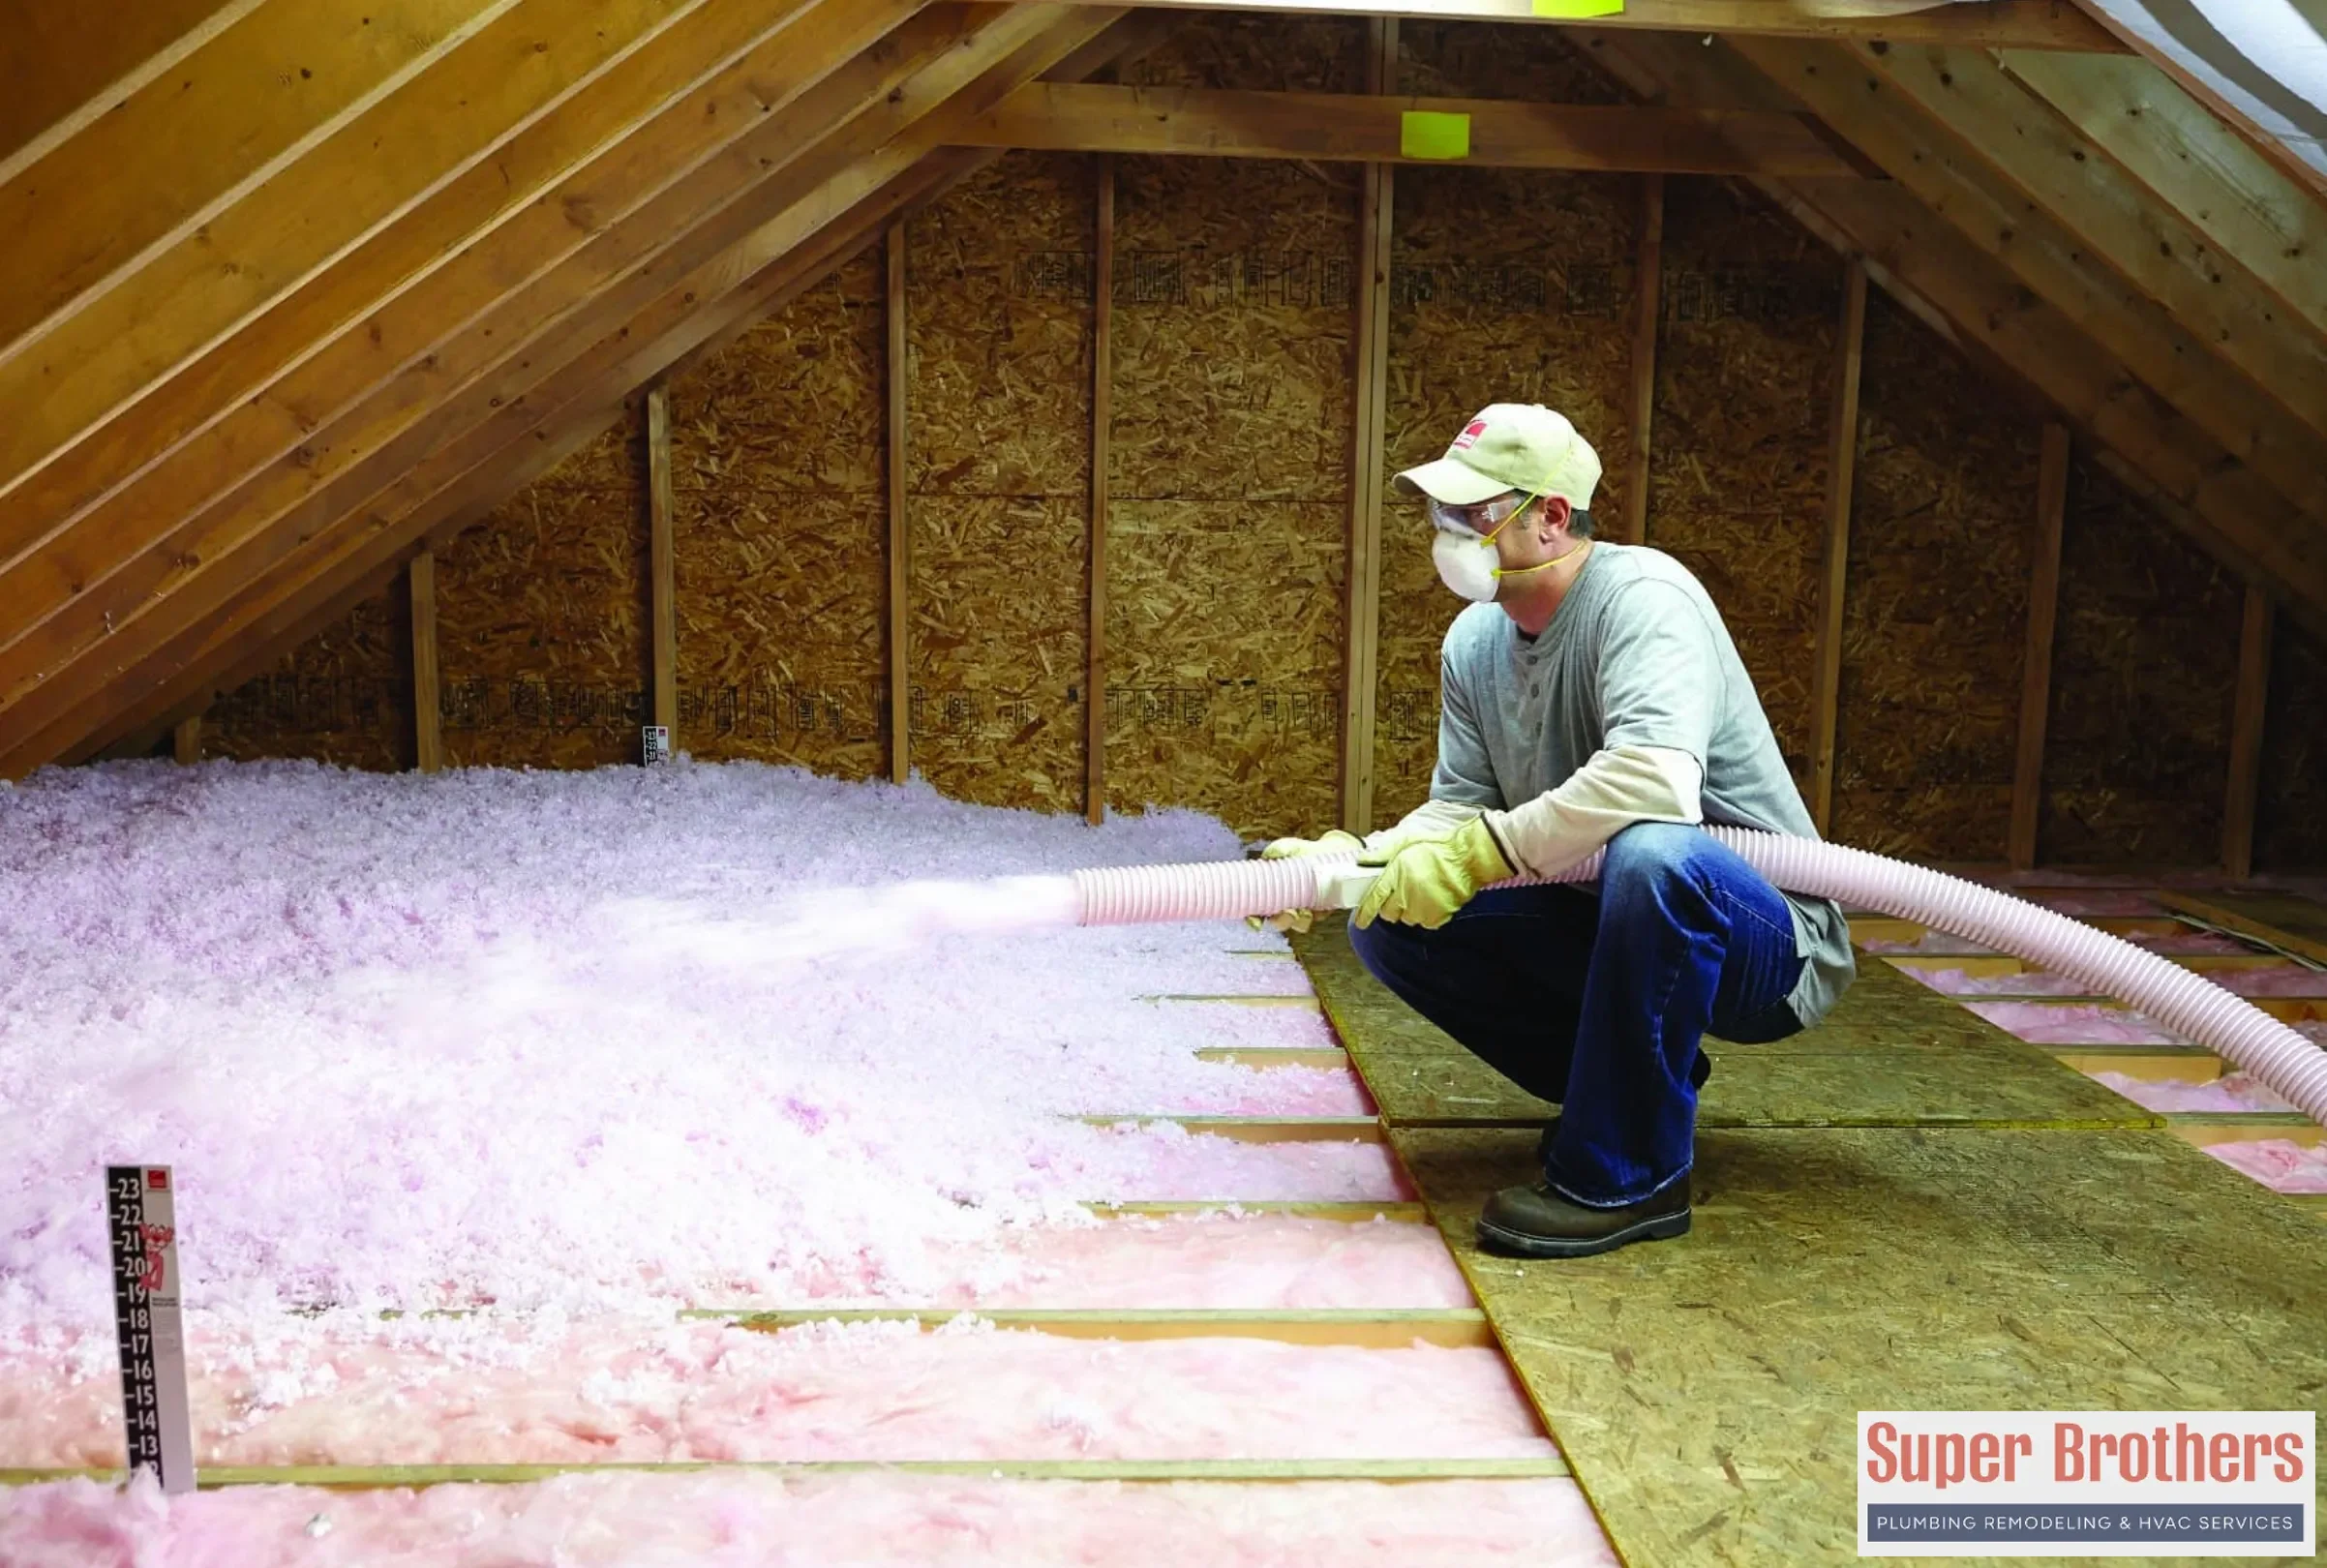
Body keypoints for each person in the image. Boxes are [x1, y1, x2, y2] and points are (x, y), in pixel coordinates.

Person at [1265, 404, 1854, 1258]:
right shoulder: (1476, 641)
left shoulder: (1644, 598)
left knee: (1653, 850)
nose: (1449, 533)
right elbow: (1460, 807)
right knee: (1391, 920)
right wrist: (1357, 861)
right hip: (1606, 905)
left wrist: (1486, 853)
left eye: (1472, 512)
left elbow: (1654, 779)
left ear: (1548, 515)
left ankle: (1629, 1177)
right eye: (1442, 513)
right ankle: (1630, 1095)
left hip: (1766, 936)